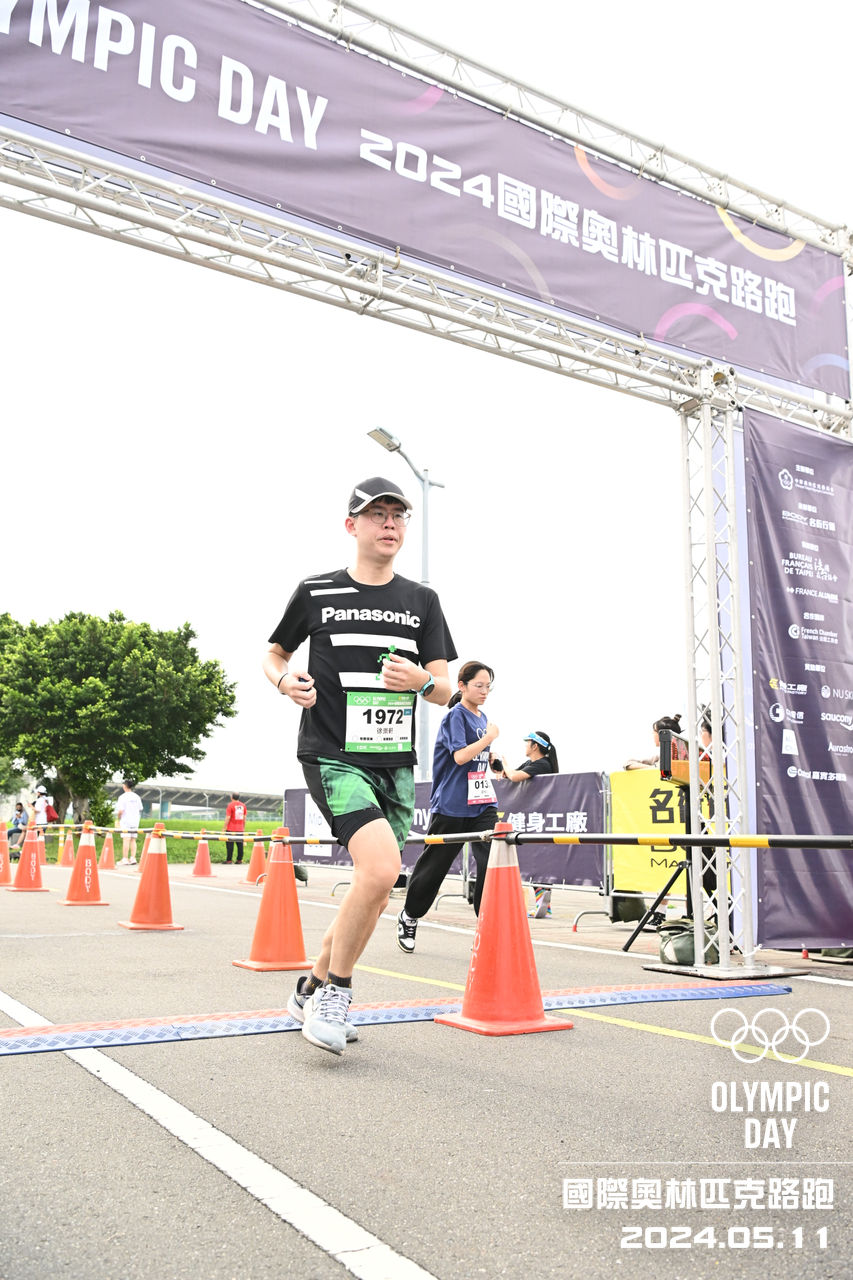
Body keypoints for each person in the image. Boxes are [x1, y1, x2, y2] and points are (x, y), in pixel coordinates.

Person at [263, 475, 456, 1056]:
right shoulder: (317, 591)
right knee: (379, 870)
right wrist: (285, 681)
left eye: (398, 515)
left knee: (376, 888)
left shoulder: (422, 601)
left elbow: (446, 688)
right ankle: (335, 995)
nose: (389, 524)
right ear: (352, 526)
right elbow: (274, 653)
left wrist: (420, 680)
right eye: (377, 514)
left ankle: (309, 987)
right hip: (332, 752)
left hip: (394, 763)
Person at [396, 661, 498, 953]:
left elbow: (476, 756)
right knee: (435, 866)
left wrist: (492, 757)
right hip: (452, 804)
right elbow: (460, 757)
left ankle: (487, 928)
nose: (484, 691)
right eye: (479, 685)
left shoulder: (482, 718)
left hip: (482, 803)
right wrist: (489, 738)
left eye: (488, 687)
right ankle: (410, 915)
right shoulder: (455, 716)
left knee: (492, 863)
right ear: (462, 686)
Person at [491, 730, 559, 782]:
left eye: (528, 742)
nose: (525, 745)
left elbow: (514, 776)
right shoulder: (529, 763)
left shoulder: (542, 764)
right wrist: (504, 773)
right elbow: (513, 773)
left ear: (534, 746)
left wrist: (504, 764)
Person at [116, 779, 143, 865]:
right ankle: (133, 858)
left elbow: (121, 811)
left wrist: (118, 819)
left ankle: (125, 859)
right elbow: (140, 808)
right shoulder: (137, 797)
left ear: (124, 786)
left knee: (126, 839)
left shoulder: (122, 797)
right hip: (135, 821)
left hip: (126, 821)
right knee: (133, 839)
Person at [223, 792, 247, 864]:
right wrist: (243, 828)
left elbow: (228, 817)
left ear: (231, 797)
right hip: (240, 829)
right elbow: (244, 818)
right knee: (240, 845)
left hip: (231, 828)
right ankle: (239, 860)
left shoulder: (230, 805)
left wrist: (224, 828)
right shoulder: (243, 806)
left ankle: (229, 860)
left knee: (230, 845)